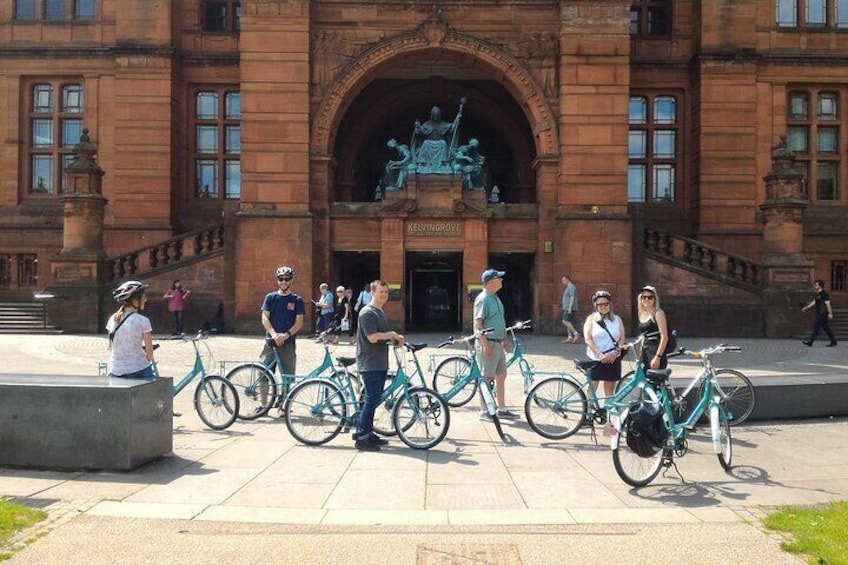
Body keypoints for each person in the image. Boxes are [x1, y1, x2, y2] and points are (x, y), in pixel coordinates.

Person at [354, 280, 405, 451]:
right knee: (372, 399)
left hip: (379, 362)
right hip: (370, 363)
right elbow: (372, 337)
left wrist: (395, 338)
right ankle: (362, 437)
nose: (384, 294)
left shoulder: (380, 312)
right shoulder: (367, 312)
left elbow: (382, 336)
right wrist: (390, 334)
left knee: (373, 399)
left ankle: (367, 432)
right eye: (380, 292)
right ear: (372, 293)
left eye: (386, 292)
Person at [474, 268, 519, 420]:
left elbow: (499, 322)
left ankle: (502, 408)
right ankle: (484, 410)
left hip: (497, 343)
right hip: (489, 343)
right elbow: (478, 324)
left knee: (501, 375)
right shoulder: (483, 299)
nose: (501, 280)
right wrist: (485, 345)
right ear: (491, 282)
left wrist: (504, 340)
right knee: (486, 377)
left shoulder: (495, 298)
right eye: (499, 278)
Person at [259, 266, 305, 413]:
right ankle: (264, 405)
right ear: (277, 280)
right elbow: (265, 317)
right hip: (271, 342)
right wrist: (273, 334)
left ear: (291, 280)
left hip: (288, 343)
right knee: (264, 373)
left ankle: (282, 405)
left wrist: (286, 335)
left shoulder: (296, 300)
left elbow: (299, 322)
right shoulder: (270, 297)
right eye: (281, 279)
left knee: (287, 377)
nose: (284, 281)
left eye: (286, 279)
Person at [106, 280, 155, 381]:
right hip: (139, 370)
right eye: (143, 297)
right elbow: (149, 354)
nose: (145, 299)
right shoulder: (143, 321)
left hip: (115, 370)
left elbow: (111, 347)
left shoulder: (112, 319)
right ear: (134, 300)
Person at [583, 290, 626, 399]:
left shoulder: (617, 319)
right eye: (599, 305)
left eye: (606, 304)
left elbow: (622, 338)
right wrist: (600, 354)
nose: (603, 307)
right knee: (592, 388)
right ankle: (590, 411)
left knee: (609, 390)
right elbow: (588, 339)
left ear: (610, 304)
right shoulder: (591, 319)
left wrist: (616, 353)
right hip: (596, 358)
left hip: (612, 358)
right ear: (595, 306)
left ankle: (606, 414)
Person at [412, 106, 456, 174]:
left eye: (437, 115)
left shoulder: (443, 123)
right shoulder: (427, 123)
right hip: (429, 143)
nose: (436, 117)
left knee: (443, 143)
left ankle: (442, 164)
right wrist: (418, 126)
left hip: (440, 143)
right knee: (426, 143)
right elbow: (420, 132)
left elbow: (451, 129)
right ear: (431, 115)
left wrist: (456, 121)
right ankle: (424, 164)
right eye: (434, 115)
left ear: (440, 115)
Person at [636, 285, 669, 369]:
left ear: (655, 299)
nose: (646, 299)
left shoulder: (658, 313)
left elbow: (664, 337)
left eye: (650, 297)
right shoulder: (642, 314)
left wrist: (658, 357)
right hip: (645, 351)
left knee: (655, 380)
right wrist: (639, 355)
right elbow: (644, 336)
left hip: (655, 351)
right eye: (644, 297)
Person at [802, 279, 838, 347]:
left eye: (816, 285)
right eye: (815, 285)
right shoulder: (818, 294)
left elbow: (828, 304)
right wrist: (807, 307)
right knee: (826, 328)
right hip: (819, 313)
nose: (814, 286)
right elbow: (814, 302)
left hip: (822, 313)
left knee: (816, 327)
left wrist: (830, 313)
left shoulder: (824, 294)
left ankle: (810, 342)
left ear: (820, 286)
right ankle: (834, 341)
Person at [560, 275, 579, 343]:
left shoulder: (571, 287)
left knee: (565, 321)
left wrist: (570, 307)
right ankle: (570, 337)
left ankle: (575, 334)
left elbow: (572, 297)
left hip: (569, 308)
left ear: (567, 280)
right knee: (569, 322)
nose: (562, 282)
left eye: (563, 280)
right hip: (568, 307)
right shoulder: (569, 287)